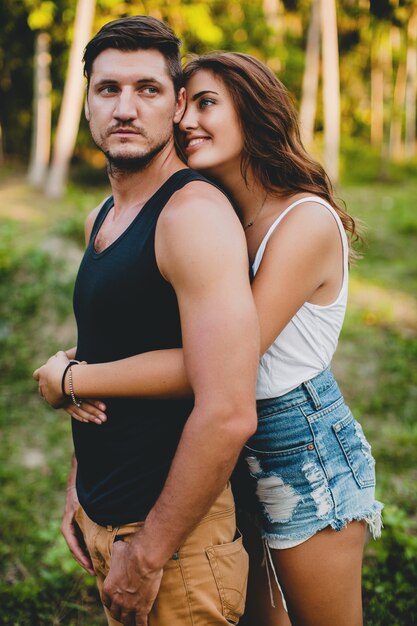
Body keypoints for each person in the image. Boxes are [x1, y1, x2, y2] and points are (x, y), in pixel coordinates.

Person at [35, 51, 383, 626]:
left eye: (207, 103)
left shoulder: (302, 223)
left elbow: (221, 365)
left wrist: (76, 376)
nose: (186, 120)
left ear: (252, 111)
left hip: (300, 450)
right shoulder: (211, 215)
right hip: (222, 451)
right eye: (184, 104)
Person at [34, 22, 261, 626]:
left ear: (178, 102)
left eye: (148, 89)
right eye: (108, 89)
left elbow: (229, 408)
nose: (126, 108)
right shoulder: (102, 215)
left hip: (173, 540)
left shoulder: (192, 217)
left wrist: (147, 554)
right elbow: (106, 352)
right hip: (111, 518)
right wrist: (81, 491)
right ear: (86, 104)